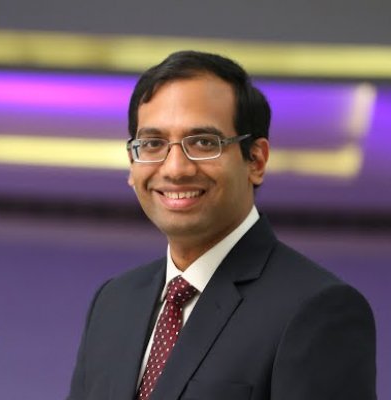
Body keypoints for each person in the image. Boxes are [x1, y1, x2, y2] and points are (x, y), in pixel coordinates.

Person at [67, 51, 376, 400]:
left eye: (203, 143)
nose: (175, 169)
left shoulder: (317, 309)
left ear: (256, 160)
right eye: (153, 144)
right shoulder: (114, 302)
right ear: (131, 163)